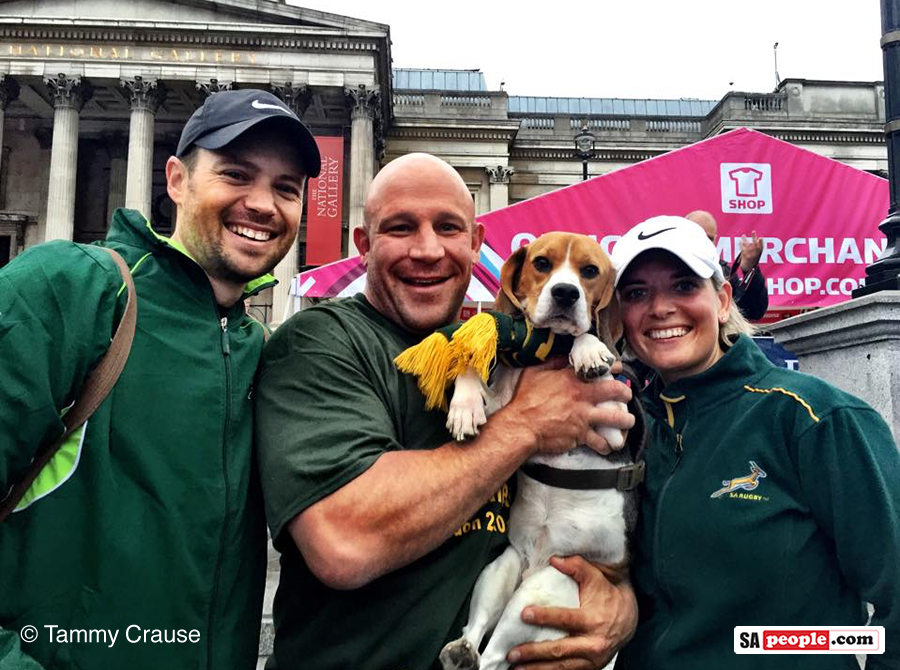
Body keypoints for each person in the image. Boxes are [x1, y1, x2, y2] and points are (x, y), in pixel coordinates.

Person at [255, 152, 638, 670]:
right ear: (364, 245)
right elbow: (344, 542)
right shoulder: (323, 342)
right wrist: (527, 425)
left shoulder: (501, 350)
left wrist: (620, 603)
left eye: (448, 227)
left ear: (476, 243)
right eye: (400, 228)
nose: (428, 249)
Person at [0, 89, 321, 670]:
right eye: (235, 173)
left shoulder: (261, 353)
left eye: (286, 188)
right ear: (175, 179)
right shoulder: (70, 291)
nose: (263, 204)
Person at [609, 215, 900, 670]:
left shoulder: (813, 416)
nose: (660, 308)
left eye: (685, 286)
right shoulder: (627, 426)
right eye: (637, 293)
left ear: (723, 300)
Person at [685, 209, 768, 320]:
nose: (703, 241)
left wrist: (749, 269)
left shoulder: (723, 272)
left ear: (715, 240)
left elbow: (752, 312)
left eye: (709, 238)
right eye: (697, 235)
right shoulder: (667, 266)